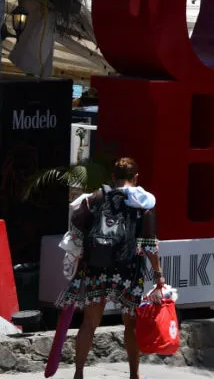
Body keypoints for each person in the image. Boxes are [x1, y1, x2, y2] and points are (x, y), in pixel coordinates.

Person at [61, 157, 164, 379]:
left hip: (96, 267)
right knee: (131, 324)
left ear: (113, 177)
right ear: (136, 178)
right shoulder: (143, 203)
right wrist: (158, 275)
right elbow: (149, 244)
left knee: (89, 322)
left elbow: (77, 229)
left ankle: (78, 373)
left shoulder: (97, 197)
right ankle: (134, 375)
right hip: (128, 270)